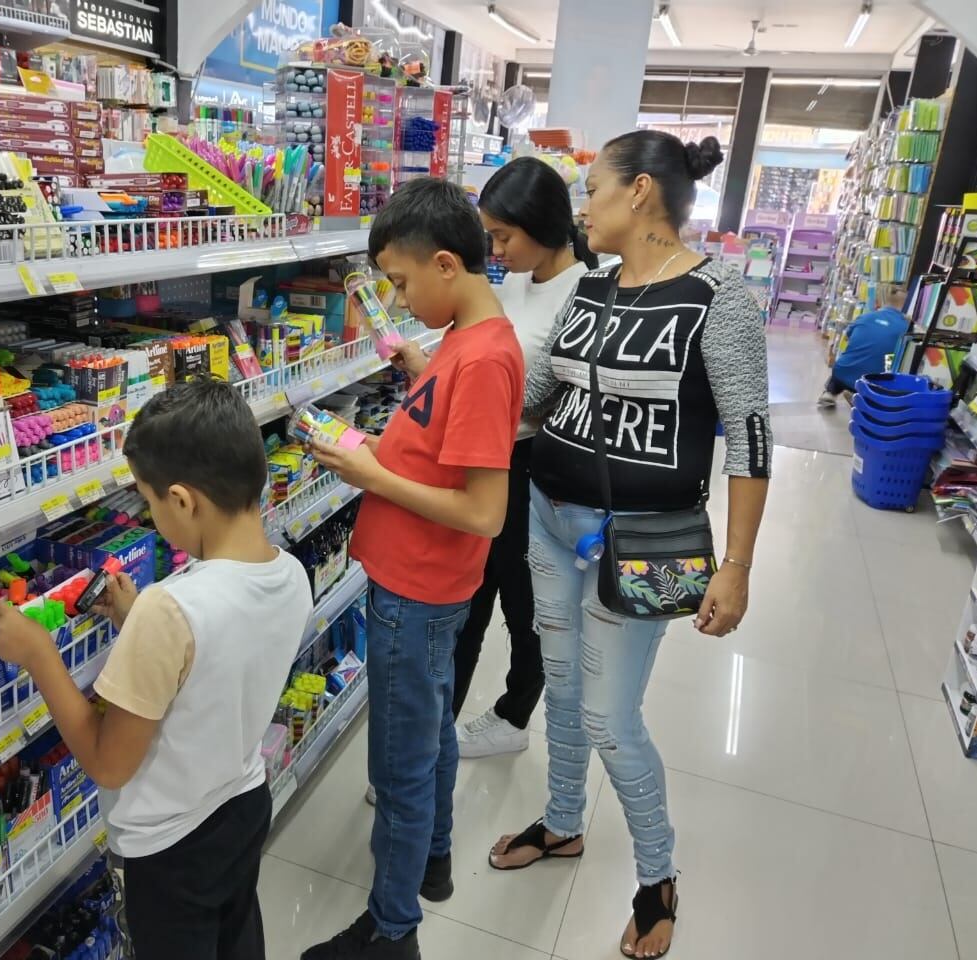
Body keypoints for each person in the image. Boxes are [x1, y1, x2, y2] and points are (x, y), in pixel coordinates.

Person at [489, 131, 772, 960]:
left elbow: (751, 442)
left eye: (594, 189)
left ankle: (657, 877)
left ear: (640, 192)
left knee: (612, 716)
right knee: (565, 684)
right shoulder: (594, 289)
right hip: (547, 514)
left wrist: (740, 566)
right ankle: (565, 822)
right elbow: (539, 395)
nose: (583, 206)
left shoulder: (721, 299)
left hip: (645, 542)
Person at [0, 379, 313, 960]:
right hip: (241, 804)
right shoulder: (288, 574)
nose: (148, 512)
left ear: (183, 500)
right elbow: (215, 659)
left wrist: (40, 654)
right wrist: (137, 622)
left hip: (169, 848)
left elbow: (108, 761)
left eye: (148, 500)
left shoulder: (170, 609)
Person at [302, 178, 524, 960]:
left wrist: (370, 476)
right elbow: (446, 421)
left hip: (420, 590)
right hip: (419, 584)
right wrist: (415, 362)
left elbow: (484, 512)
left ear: (445, 264)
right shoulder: (464, 338)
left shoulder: (487, 359)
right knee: (429, 729)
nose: (395, 297)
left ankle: (391, 932)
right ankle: (434, 858)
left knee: (399, 765)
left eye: (400, 284)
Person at [452, 156, 597, 759]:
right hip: (479, 457)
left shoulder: (587, 292)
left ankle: (514, 715)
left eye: (505, 235)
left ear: (544, 225)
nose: (497, 248)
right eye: (491, 235)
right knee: (466, 599)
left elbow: (562, 397)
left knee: (523, 603)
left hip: (530, 467)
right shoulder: (509, 280)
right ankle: (436, 736)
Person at [817, 283, 908, 406]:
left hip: (843, 372)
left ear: (879, 301)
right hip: (874, 381)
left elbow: (849, 335)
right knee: (889, 362)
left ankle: (830, 392)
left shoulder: (865, 317)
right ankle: (860, 395)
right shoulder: (905, 327)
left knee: (846, 362)